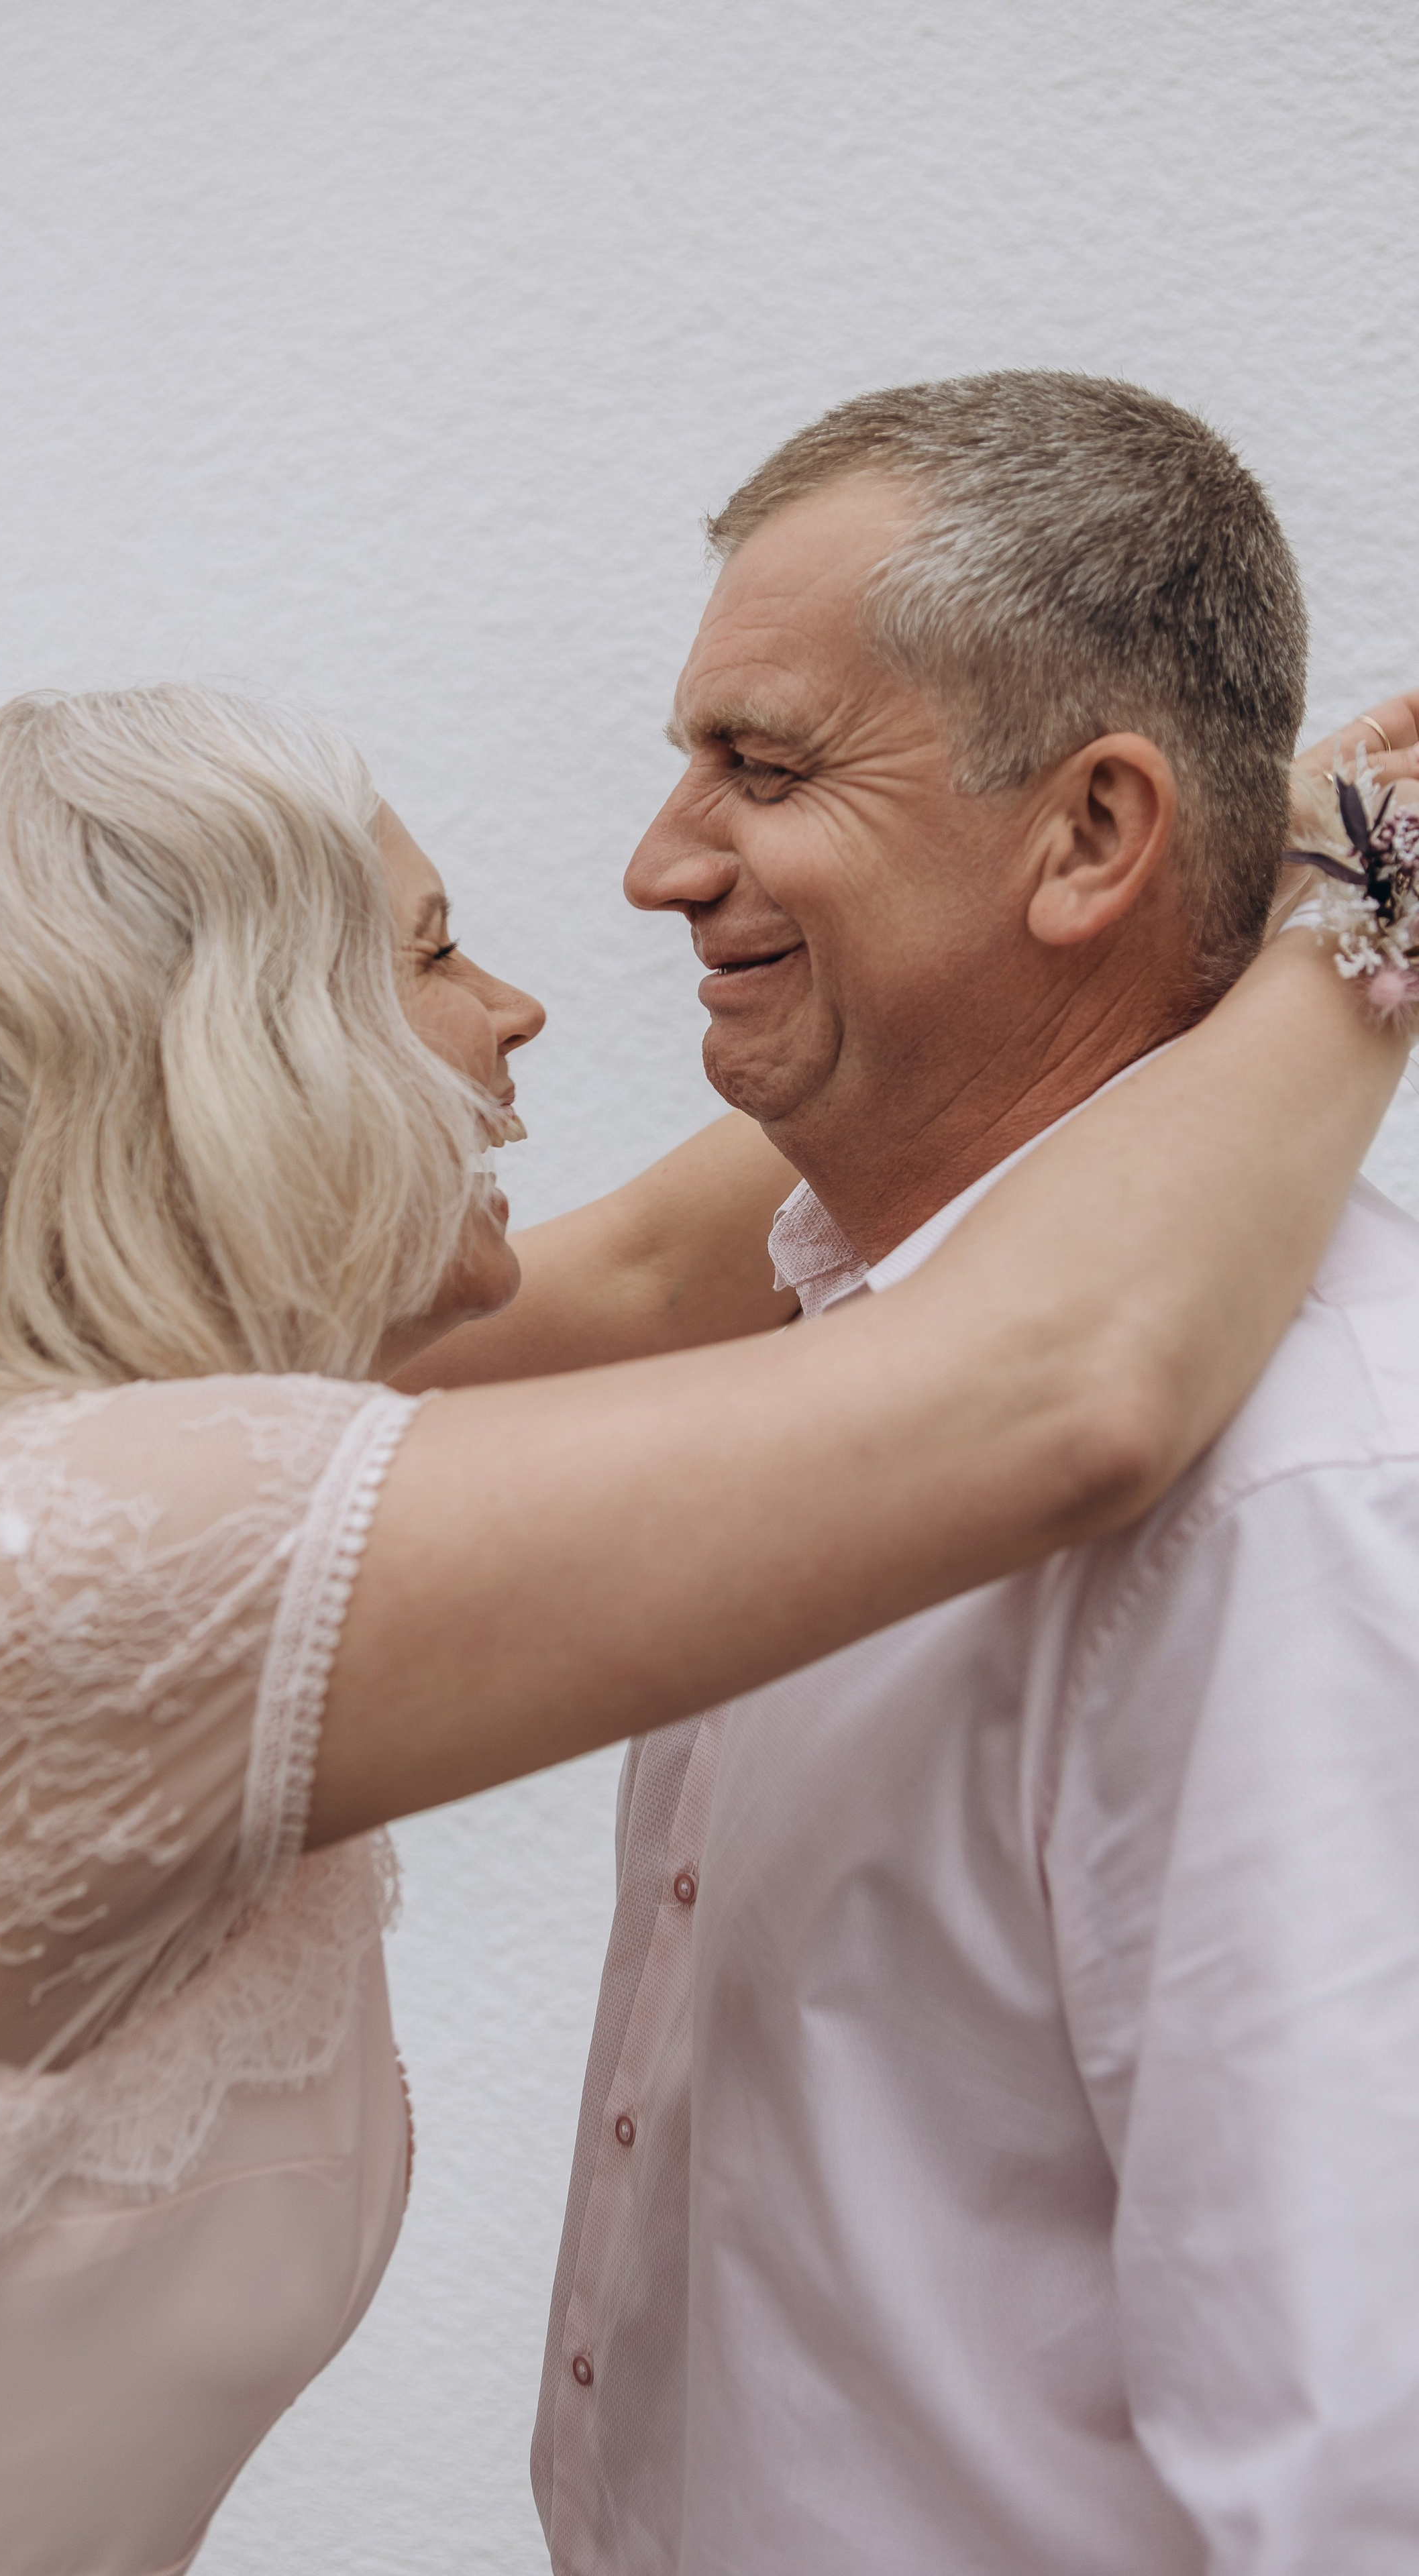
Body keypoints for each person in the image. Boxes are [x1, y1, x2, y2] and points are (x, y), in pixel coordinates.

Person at [0, 674, 1399, 2576]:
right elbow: (1056, 1390)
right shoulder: (53, 1566)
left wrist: (1134, 919)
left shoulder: (22, 1442)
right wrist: (1374, 904)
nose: (512, 1007)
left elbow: (668, 1264)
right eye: (430, 952)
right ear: (232, 1062)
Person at [461, 373, 1419, 2576]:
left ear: (1091, 838)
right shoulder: (819, 1343)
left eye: (763, 766)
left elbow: (1353, 2473)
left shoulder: (1298, 1495)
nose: (654, 861)